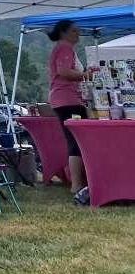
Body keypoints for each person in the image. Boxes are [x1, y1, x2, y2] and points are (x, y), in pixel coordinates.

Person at [47, 19, 88, 203]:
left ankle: (78, 181)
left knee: (75, 140)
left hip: (63, 99)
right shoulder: (64, 48)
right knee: (77, 141)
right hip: (68, 100)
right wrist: (86, 75)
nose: (77, 34)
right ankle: (77, 183)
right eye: (73, 31)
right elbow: (64, 72)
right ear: (63, 32)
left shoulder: (61, 48)